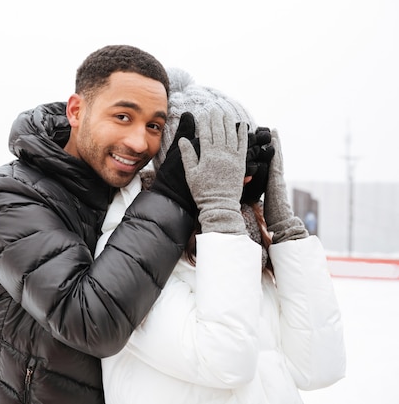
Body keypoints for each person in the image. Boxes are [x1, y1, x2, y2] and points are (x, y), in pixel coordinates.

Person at [0, 46, 200, 404]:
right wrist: (172, 198)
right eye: (123, 116)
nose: (140, 142)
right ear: (76, 111)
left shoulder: (132, 196)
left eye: (154, 125)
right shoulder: (7, 196)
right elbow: (90, 322)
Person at [99, 67, 346, 404]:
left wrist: (284, 226)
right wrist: (219, 212)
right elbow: (226, 363)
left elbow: (319, 368)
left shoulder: (246, 245)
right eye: (223, 158)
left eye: (247, 157)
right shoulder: (128, 251)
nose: (240, 174)